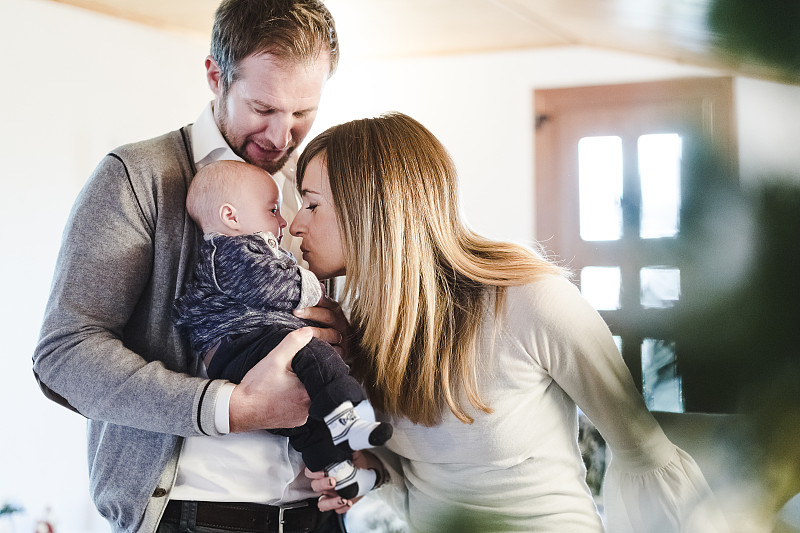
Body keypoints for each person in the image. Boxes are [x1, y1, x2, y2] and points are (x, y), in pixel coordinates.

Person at [291, 112, 731, 533]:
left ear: (372, 207)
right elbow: (421, 468)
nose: (294, 225)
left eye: (310, 205)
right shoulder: (361, 329)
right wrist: (368, 471)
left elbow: (645, 454)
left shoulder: (531, 300)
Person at [31, 1, 350, 532]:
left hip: (317, 518)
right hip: (187, 518)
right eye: (262, 107)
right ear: (214, 76)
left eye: (301, 113)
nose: (280, 136)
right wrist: (232, 407)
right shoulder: (137, 178)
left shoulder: (317, 186)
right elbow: (63, 355)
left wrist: (341, 337)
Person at [173, 160, 392, 499]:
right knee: (311, 350)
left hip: (244, 348)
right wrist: (312, 286)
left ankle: (341, 472)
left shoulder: (240, 248)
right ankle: (348, 417)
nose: (284, 221)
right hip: (239, 342)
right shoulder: (229, 249)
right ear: (231, 216)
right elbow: (272, 285)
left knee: (303, 424)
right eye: (273, 210)